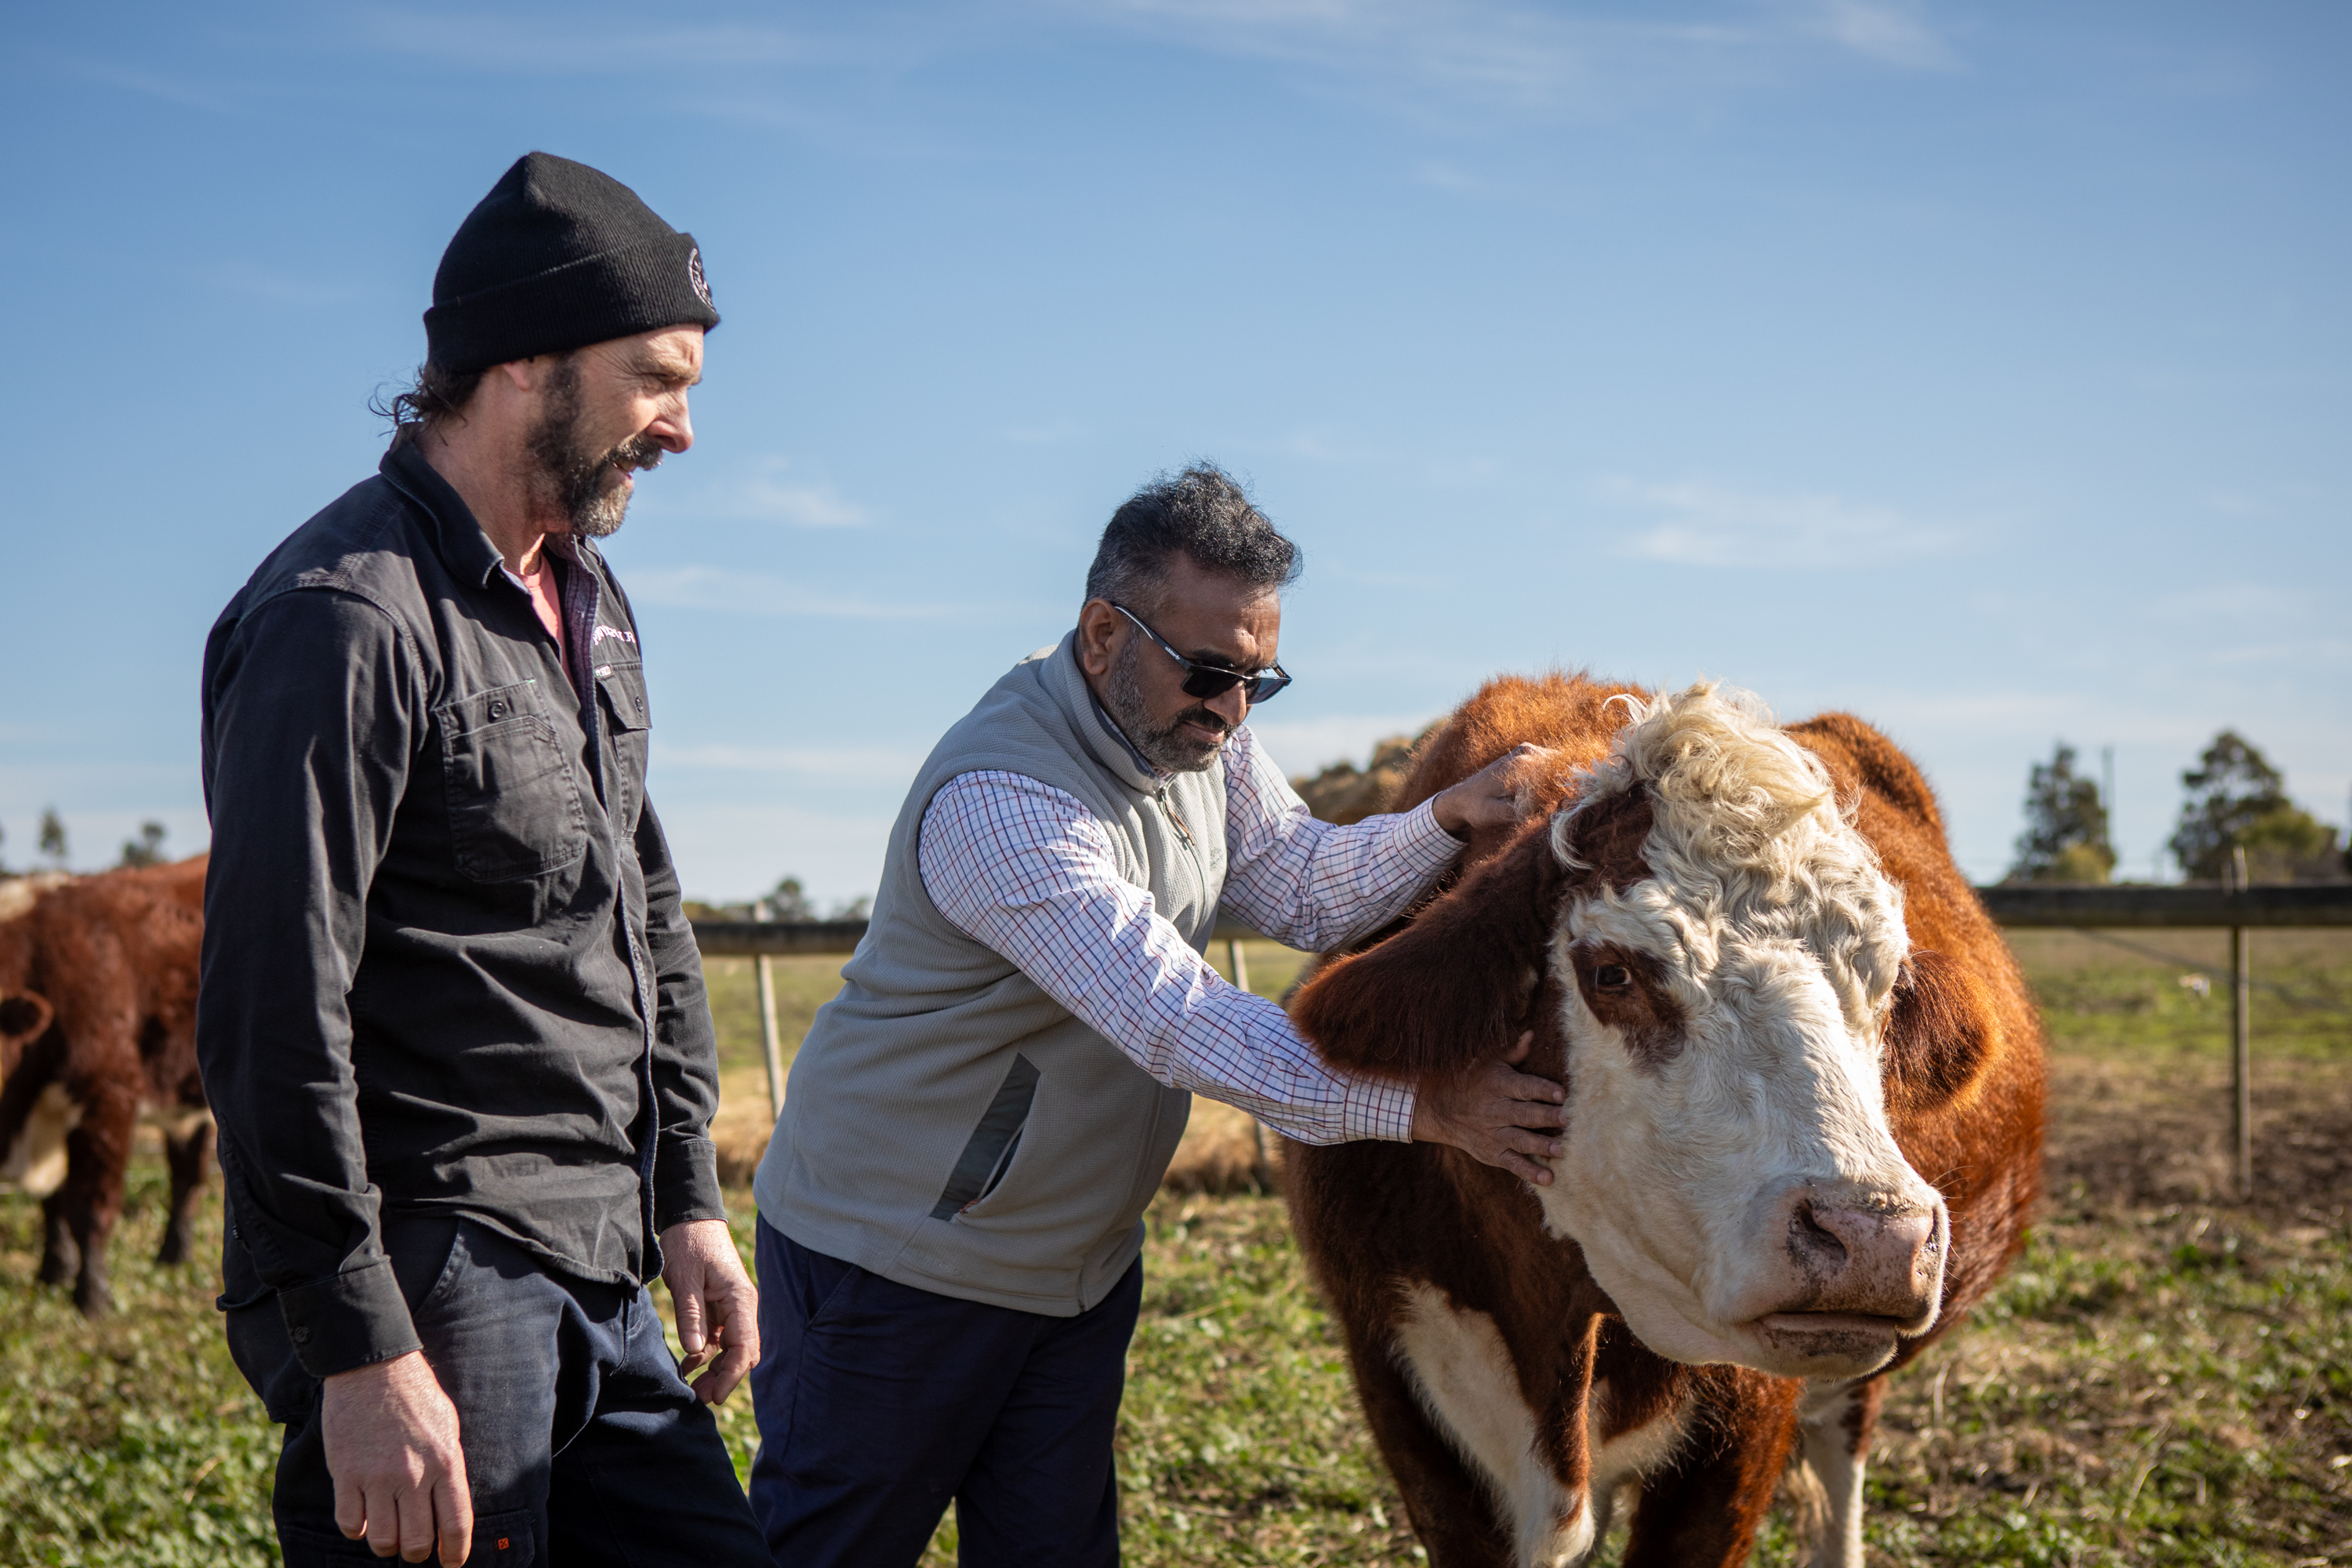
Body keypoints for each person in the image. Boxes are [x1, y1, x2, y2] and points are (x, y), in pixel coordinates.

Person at [748, 463, 1568, 1566]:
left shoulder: (1186, 733)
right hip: (898, 1265)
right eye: (1212, 673)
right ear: (1101, 635)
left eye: (1260, 682)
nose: (1232, 710)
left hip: (1073, 1261)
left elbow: (1298, 879)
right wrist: (1431, 1105)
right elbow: (1177, 1020)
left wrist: (1440, 822)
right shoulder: (1006, 803)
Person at [198, 152, 771, 1568]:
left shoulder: (586, 594)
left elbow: (639, 905)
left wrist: (685, 1193)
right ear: (524, 359)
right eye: (654, 378)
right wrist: (359, 1352)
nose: (683, 427)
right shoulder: (345, 620)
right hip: (438, 1265)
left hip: (599, 1257)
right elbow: (275, 1008)